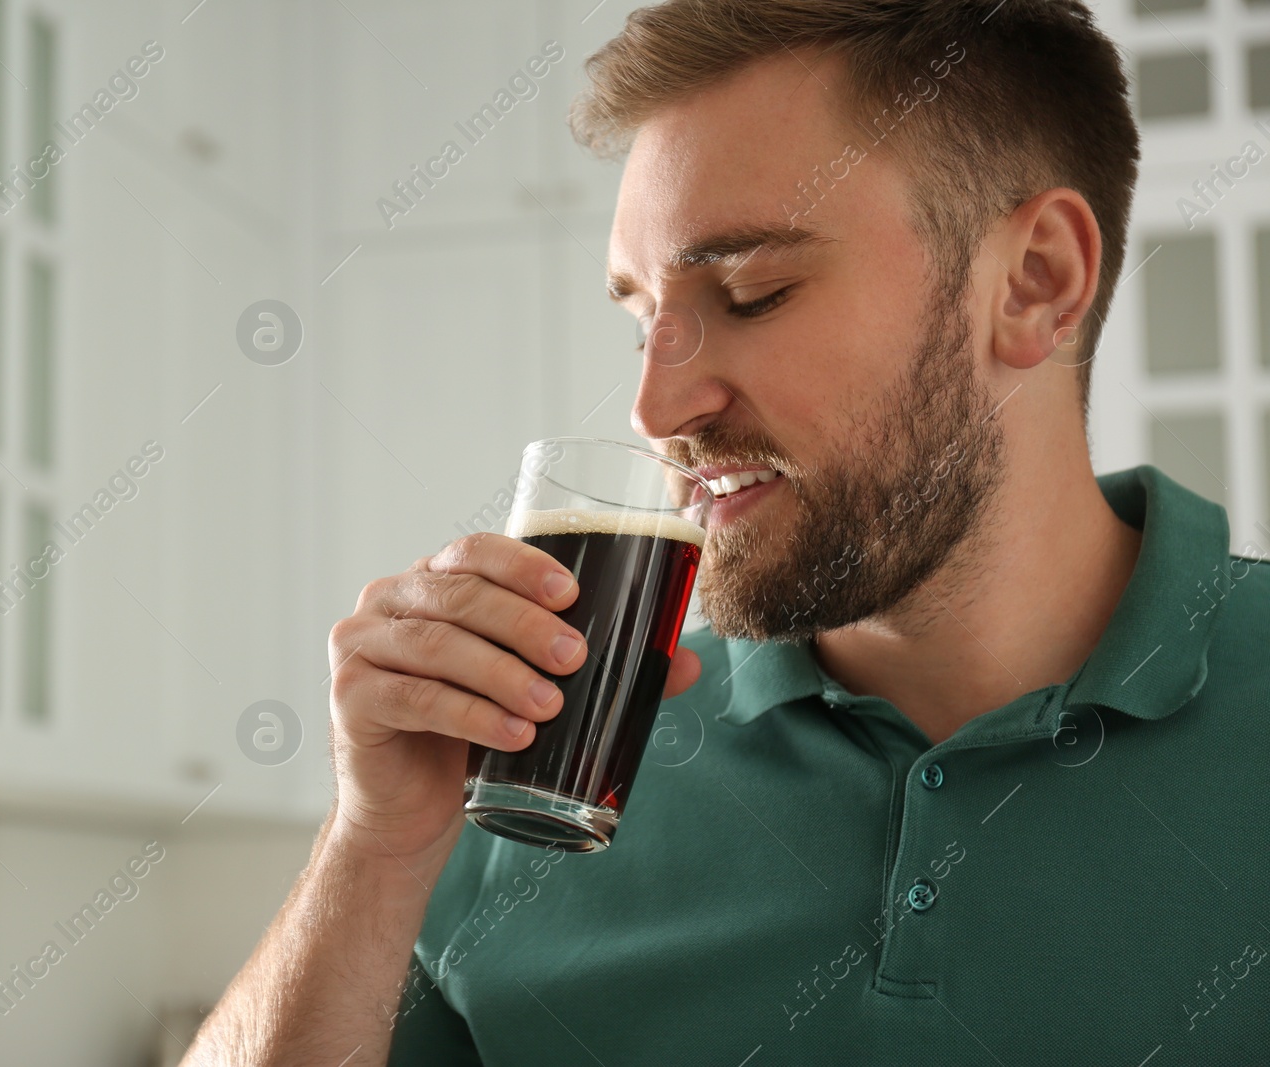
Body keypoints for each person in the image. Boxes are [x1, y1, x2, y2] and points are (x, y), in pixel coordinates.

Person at [188, 1, 1270, 1063]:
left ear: (1034, 283)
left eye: (753, 291)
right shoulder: (543, 766)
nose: (654, 411)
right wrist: (369, 853)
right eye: (637, 320)